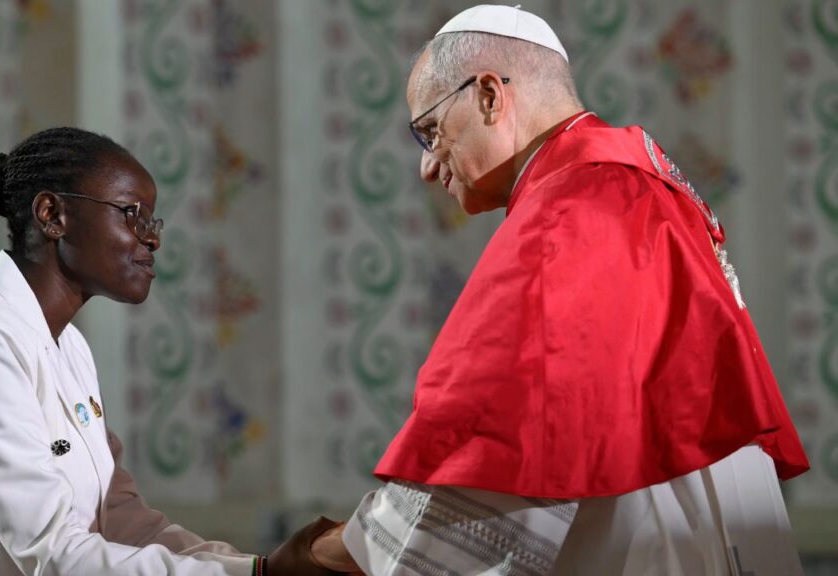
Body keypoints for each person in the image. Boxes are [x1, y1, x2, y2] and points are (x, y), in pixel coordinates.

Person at [309, 5, 811, 576]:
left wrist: (337, 553)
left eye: (430, 131)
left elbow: (498, 423)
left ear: (490, 97)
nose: (427, 166)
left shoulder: (573, 207)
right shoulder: (629, 180)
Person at [0, 127, 343, 575]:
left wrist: (257, 567)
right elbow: (56, 555)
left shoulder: (69, 348)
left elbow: (121, 521)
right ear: (53, 215)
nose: (151, 238)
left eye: (153, 220)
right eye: (132, 214)